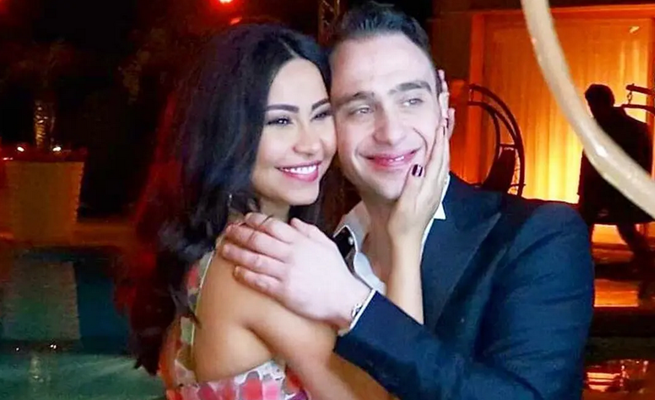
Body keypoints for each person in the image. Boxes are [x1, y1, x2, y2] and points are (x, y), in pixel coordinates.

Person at [220, 3, 596, 399]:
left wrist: (354, 306)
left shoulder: (538, 235)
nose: (391, 132)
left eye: (411, 100)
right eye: (360, 108)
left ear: (444, 110)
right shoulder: (316, 251)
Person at [128, 23, 449, 400]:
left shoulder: (221, 247)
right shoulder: (253, 262)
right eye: (280, 121)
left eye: (320, 115)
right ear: (226, 132)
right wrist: (405, 242)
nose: (311, 143)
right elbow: (395, 392)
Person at [578, 84, 653, 295]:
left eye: (594, 105)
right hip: (605, 191)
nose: (592, 110)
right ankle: (646, 267)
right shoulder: (605, 127)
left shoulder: (628, 129)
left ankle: (648, 267)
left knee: (622, 228)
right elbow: (589, 163)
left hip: (617, 192)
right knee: (593, 225)